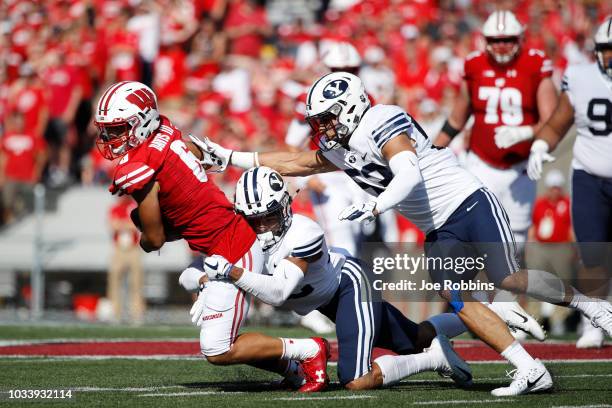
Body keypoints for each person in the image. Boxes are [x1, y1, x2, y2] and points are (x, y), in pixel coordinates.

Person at [201, 71, 612, 396]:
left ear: (349, 108)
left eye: (326, 118)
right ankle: (530, 368)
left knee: (508, 278)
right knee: (457, 299)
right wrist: (233, 157)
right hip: (437, 226)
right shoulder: (343, 146)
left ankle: (591, 306)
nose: (322, 127)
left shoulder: (382, 118)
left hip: (468, 202)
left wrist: (377, 204)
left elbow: (408, 172)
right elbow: (299, 162)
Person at [94, 80, 329, 392]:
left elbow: (154, 239)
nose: (110, 138)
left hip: (231, 246)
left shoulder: (141, 165)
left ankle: (308, 350)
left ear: (141, 123)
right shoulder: (164, 131)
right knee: (189, 279)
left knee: (217, 349)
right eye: (108, 130)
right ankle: (293, 369)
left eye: (119, 129)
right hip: (222, 240)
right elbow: (188, 172)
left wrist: (143, 228)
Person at [185, 166, 473, 390]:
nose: (261, 227)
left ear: (284, 207)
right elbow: (191, 272)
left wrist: (231, 272)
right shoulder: (243, 237)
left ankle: (435, 358)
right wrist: (203, 281)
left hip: (348, 286)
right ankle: (487, 315)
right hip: (324, 301)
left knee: (355, 378)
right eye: (253, 219)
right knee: (415, 337)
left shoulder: (303, 232)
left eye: (268, 217)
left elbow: (278, 293)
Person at [434, 10, 558, 338]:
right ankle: (463, 309)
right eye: (495, 40)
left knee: (513, 245)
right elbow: (458, 118)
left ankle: (508, 311)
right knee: (471, 240)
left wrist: (524, 133)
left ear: (519, 39)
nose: (501, 46)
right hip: (480, 164)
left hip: (519, 169)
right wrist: (431, 152)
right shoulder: (474, 65)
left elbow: (553, 118)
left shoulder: (535, 64)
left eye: (507, 39)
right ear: (485, 41)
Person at [527, 17, 612, 349]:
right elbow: (560, 119)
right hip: (590, 176)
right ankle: (595, 322)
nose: (610, 57)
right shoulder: (580, 76)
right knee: (592, 255)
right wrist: (540, 144)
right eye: (606, 50)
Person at [526, 170, 574, 337]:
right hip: (541, 247)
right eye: (552, 187)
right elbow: (533, 225)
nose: (555, 191)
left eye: (557, 187)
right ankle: (534, 319)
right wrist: (530, 246)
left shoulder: (567, 204)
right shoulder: (540, 203)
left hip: (561, 247)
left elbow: (571, 228)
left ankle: (558, 319)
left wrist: (573, 249)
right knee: (536, 283)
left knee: (562, 284)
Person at [107, 195, 145, 324]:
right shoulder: (115, 208)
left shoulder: (134, 207)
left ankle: (137, 313)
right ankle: (115, 312)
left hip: (133, 248)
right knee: (115, 280)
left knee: (136, 282)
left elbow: (138, 225)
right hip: (119, 249)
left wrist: (122, 224)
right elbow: (113, 225)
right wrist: (127, 224)